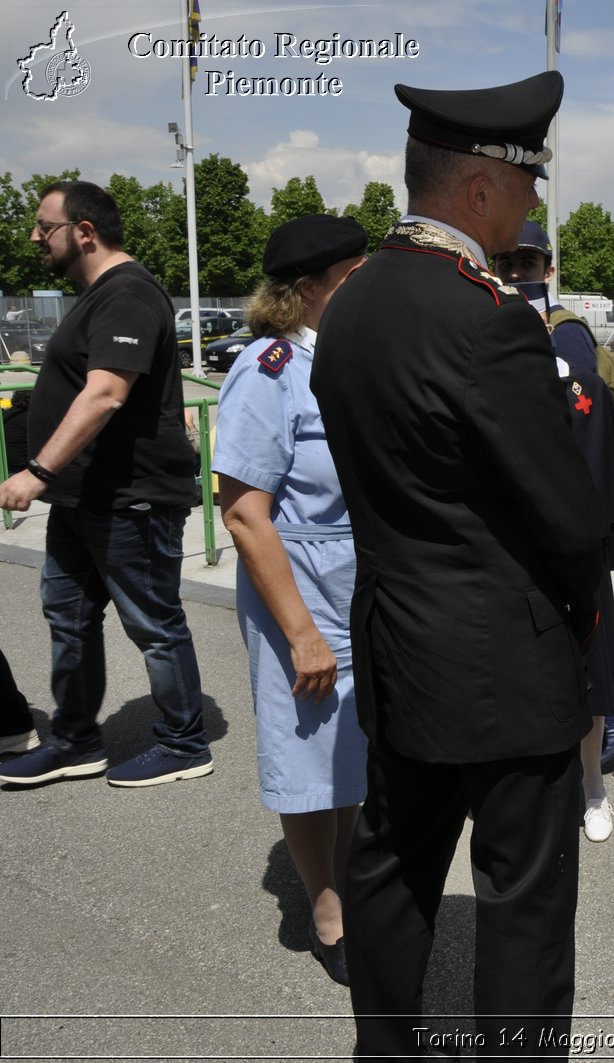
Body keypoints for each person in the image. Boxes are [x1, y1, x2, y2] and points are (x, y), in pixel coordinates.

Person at [308, 71, 607, 1057]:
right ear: (480, 187)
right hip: (506, 664)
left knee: (392, 868)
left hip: (401, 646)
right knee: (521, 897)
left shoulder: (347, 308)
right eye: (527, 185)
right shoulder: (485, 318)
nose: (532, 205)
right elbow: (572, 520)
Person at [0, 180, 212, 789]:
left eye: (46, 226)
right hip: (83, 495)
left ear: (84, 232)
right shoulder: (98, 296)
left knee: (153, 622)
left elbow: (105, 393)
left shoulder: (128, 295)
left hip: (130, 496)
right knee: (67, 615)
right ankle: (74, 743)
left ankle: (184, 742)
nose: (36, 237)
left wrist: (38, 470)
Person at [212, 214, 369, 987]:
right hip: (298, 592)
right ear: (306, 291)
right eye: (351, 278)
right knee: (308, 758)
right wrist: (302, 632)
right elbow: (243, 509)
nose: (365, 288)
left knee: (348, 754)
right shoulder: (267, 369)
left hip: (354, 583)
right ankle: (327, 905)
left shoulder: (346, 360)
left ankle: (349, 872)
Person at [492, 220, 614, 843]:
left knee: (587, 665)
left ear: (548, 269)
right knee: (514, 669)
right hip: (508, 537)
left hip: (572, 535)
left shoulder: (571, 337)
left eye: (529, 263)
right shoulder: (486, 325)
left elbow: (592, 429)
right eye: (509, 261)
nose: (519, 272)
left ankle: (593, 787)